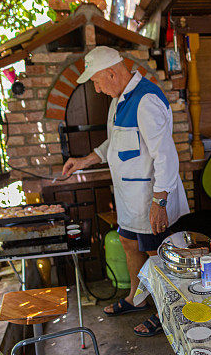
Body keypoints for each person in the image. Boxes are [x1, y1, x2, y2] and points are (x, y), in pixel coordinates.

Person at [62, 46, 189, 337]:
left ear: (111, 72)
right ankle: (136, 297)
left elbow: (166, 156)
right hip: (129, 198)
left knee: (159, 253)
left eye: (96, 81)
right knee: (128, 243)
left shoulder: (146, 100)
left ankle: (165, 312)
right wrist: (85, 160)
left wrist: (160, 200)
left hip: (151, 195)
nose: (96, 87)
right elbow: (116, 143)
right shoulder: (118, 100)